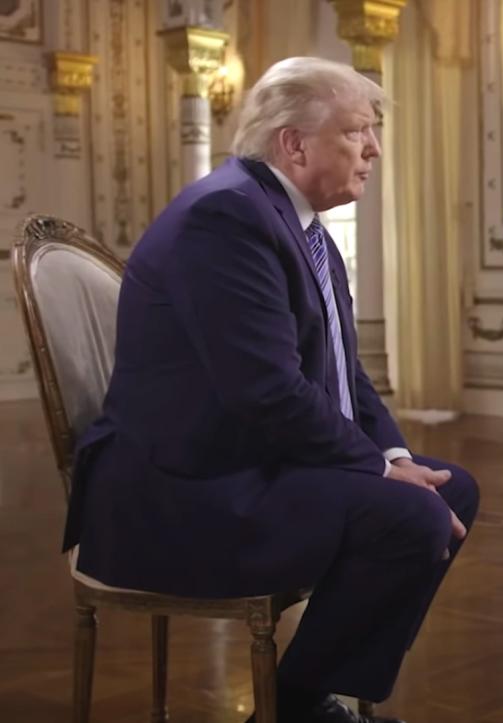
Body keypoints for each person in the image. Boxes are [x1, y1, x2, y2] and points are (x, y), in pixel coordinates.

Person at [65, 57, 479, 723]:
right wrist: (376, 469)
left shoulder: (301, 224)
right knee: (414, 516)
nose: (374, 148)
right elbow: (268, 394)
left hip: (245, 462)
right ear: (293, 142)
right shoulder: (226, 218)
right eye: (356, 132)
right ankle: (297, 707)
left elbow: (347, 376)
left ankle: (298, 700)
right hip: (182, 492)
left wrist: (396, 457)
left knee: (448, 487)